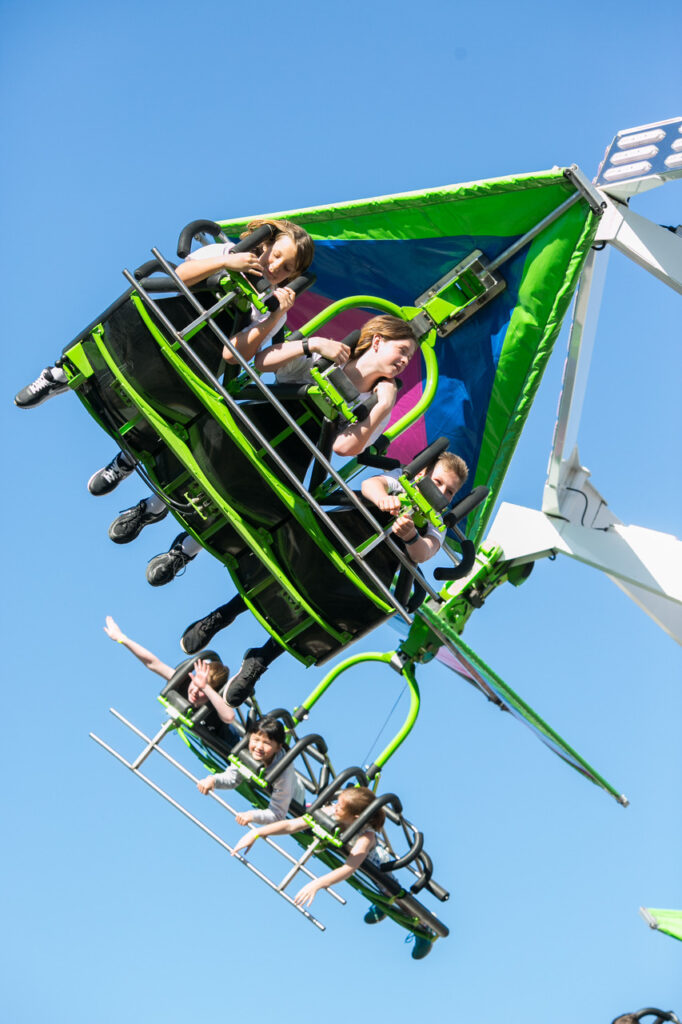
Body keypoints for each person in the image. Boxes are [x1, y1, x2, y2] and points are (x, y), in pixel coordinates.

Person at [117, 313, 417, 588]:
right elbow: (264, 362)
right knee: (204, 459)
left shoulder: (377, 403)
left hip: (294, 454)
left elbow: (344, 446)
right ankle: (152, 507)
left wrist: (384, 405)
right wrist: (311, 344)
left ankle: (185, 550)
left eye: (409, 358)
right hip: (261, 421)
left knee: (244, 502)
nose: (404, 361)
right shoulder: (332, 354)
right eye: (402, 351)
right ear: (377, 341)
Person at [179, 445, 468, 709]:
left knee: (317, 610)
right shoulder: (400, 483)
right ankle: (222, 615)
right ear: (420, 473)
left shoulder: (436, 523)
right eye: (438, 482)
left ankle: (260, 658)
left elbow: (424, 552)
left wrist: (412, 536)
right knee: (282, 573)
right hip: (332, 540)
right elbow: (372, 484)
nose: (440, 493)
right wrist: (383, 500)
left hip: (357, 575)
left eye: (449, 492)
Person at [103, 615, 236, 740]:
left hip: (229, 742)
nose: (195, 690)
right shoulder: (184, 682)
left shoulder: (214, 703)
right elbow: (153, 663)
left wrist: (205, 687)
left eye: (201, 690)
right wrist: (122, 638)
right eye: (195, 684)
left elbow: (229, 717)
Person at [196, 715, 304, 826]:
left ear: (278, 747)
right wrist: (213, 780)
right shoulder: (246, 750)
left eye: (266, 743)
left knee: (301, 823)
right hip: (263, 785)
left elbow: (278, 814)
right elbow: (233, 777)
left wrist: (252, 816)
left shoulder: (283, 771)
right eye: (256, 740)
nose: (259, 747)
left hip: (292, 799)